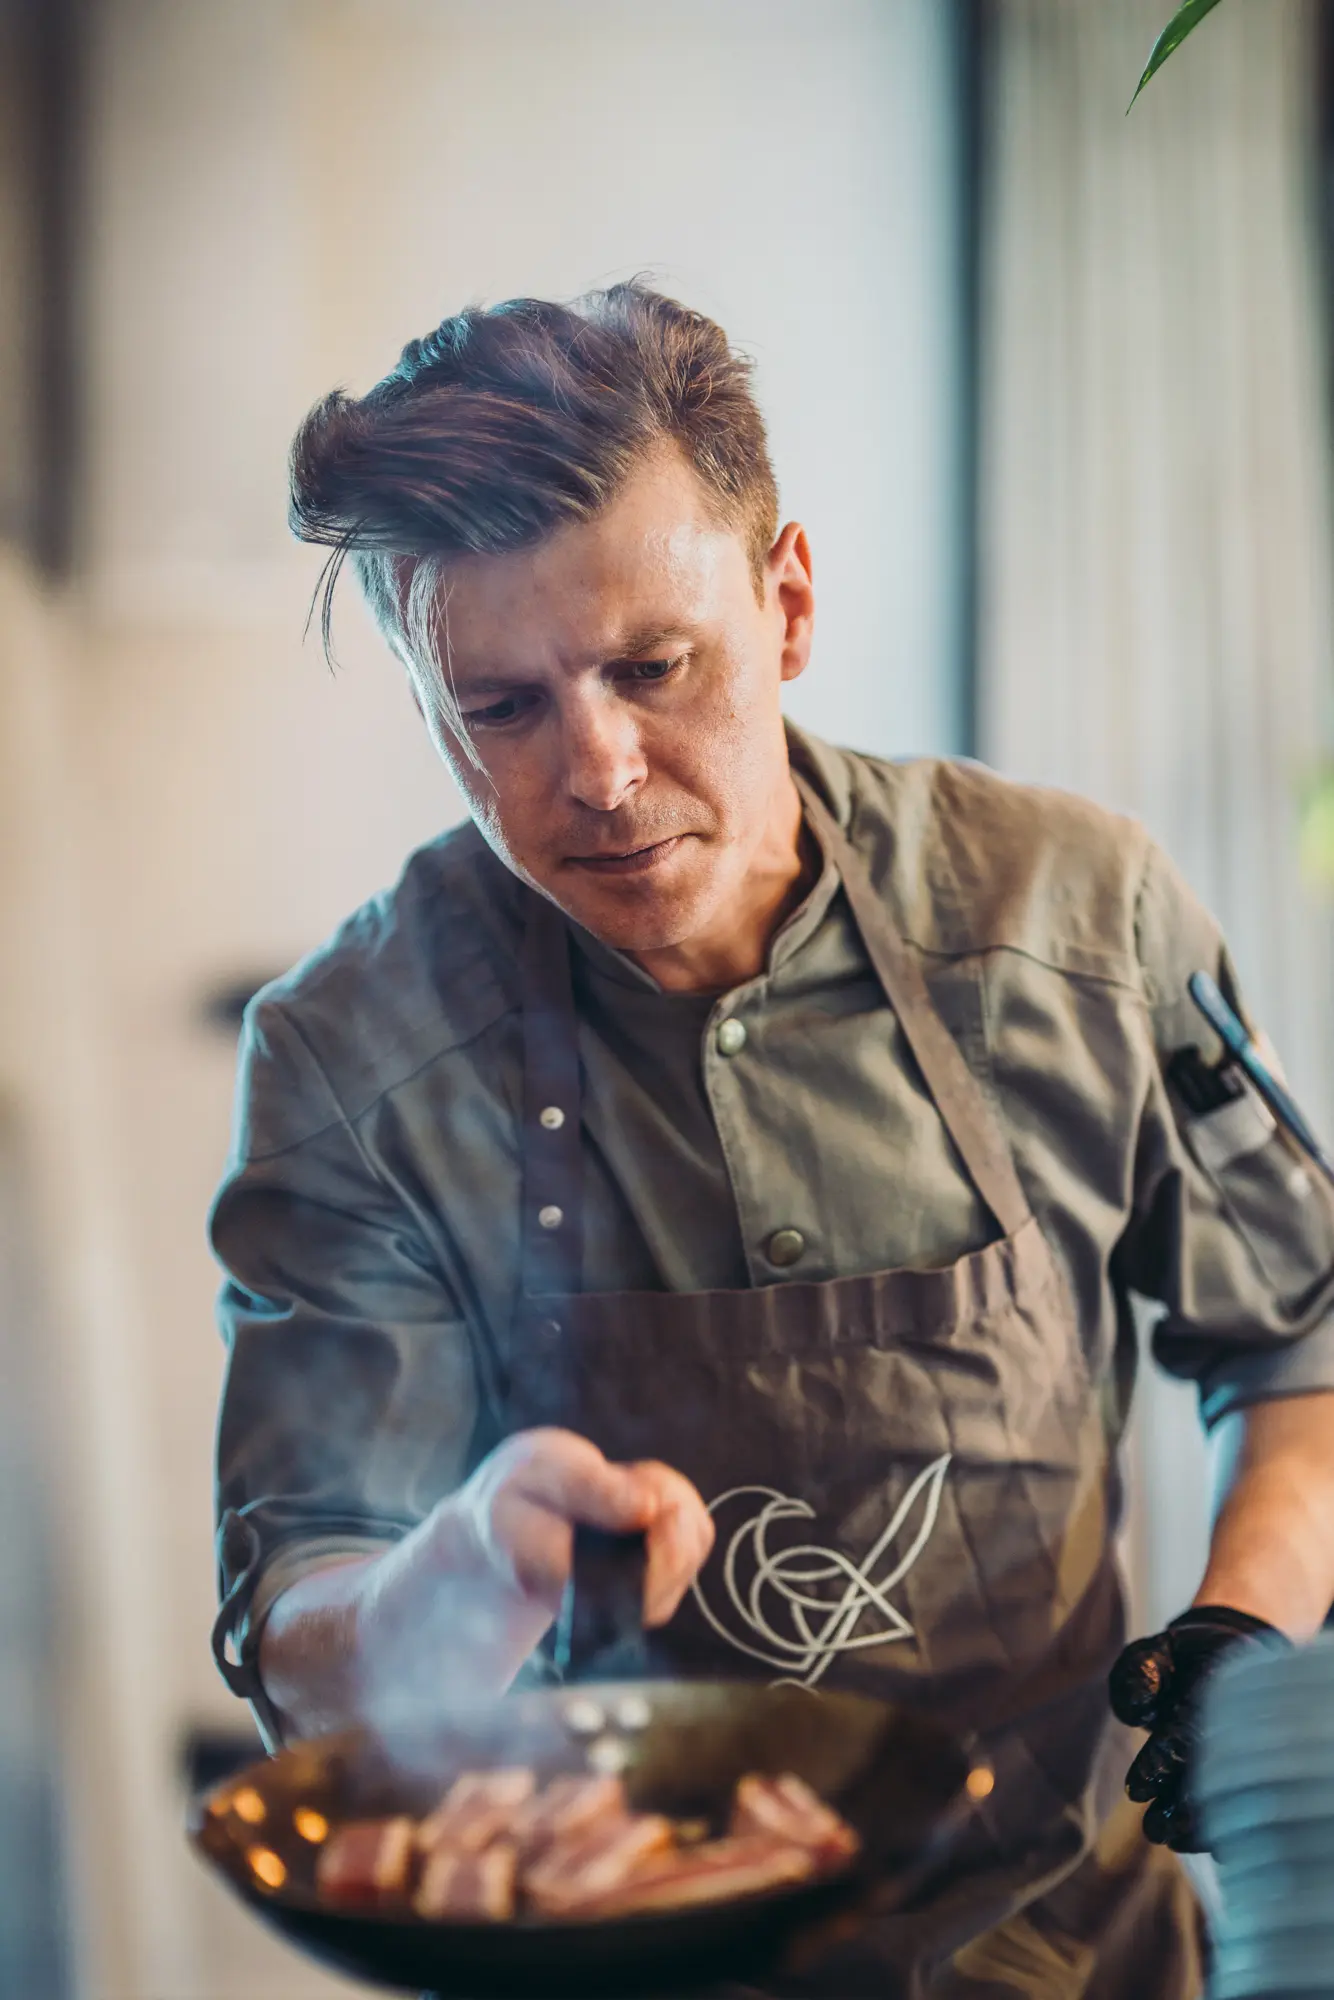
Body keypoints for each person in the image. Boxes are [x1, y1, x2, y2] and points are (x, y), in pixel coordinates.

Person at [210, 283, 1334, 1996]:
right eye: (500, 709)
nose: (595, 767)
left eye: (651, 668)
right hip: (615, 1954)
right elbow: (302, 1628)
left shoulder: (1074, 915)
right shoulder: (349, 1058)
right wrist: (455, 1576)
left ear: (785, 599)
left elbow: (1297, 1347)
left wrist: (1238, 1633)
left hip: (1074, 1943)